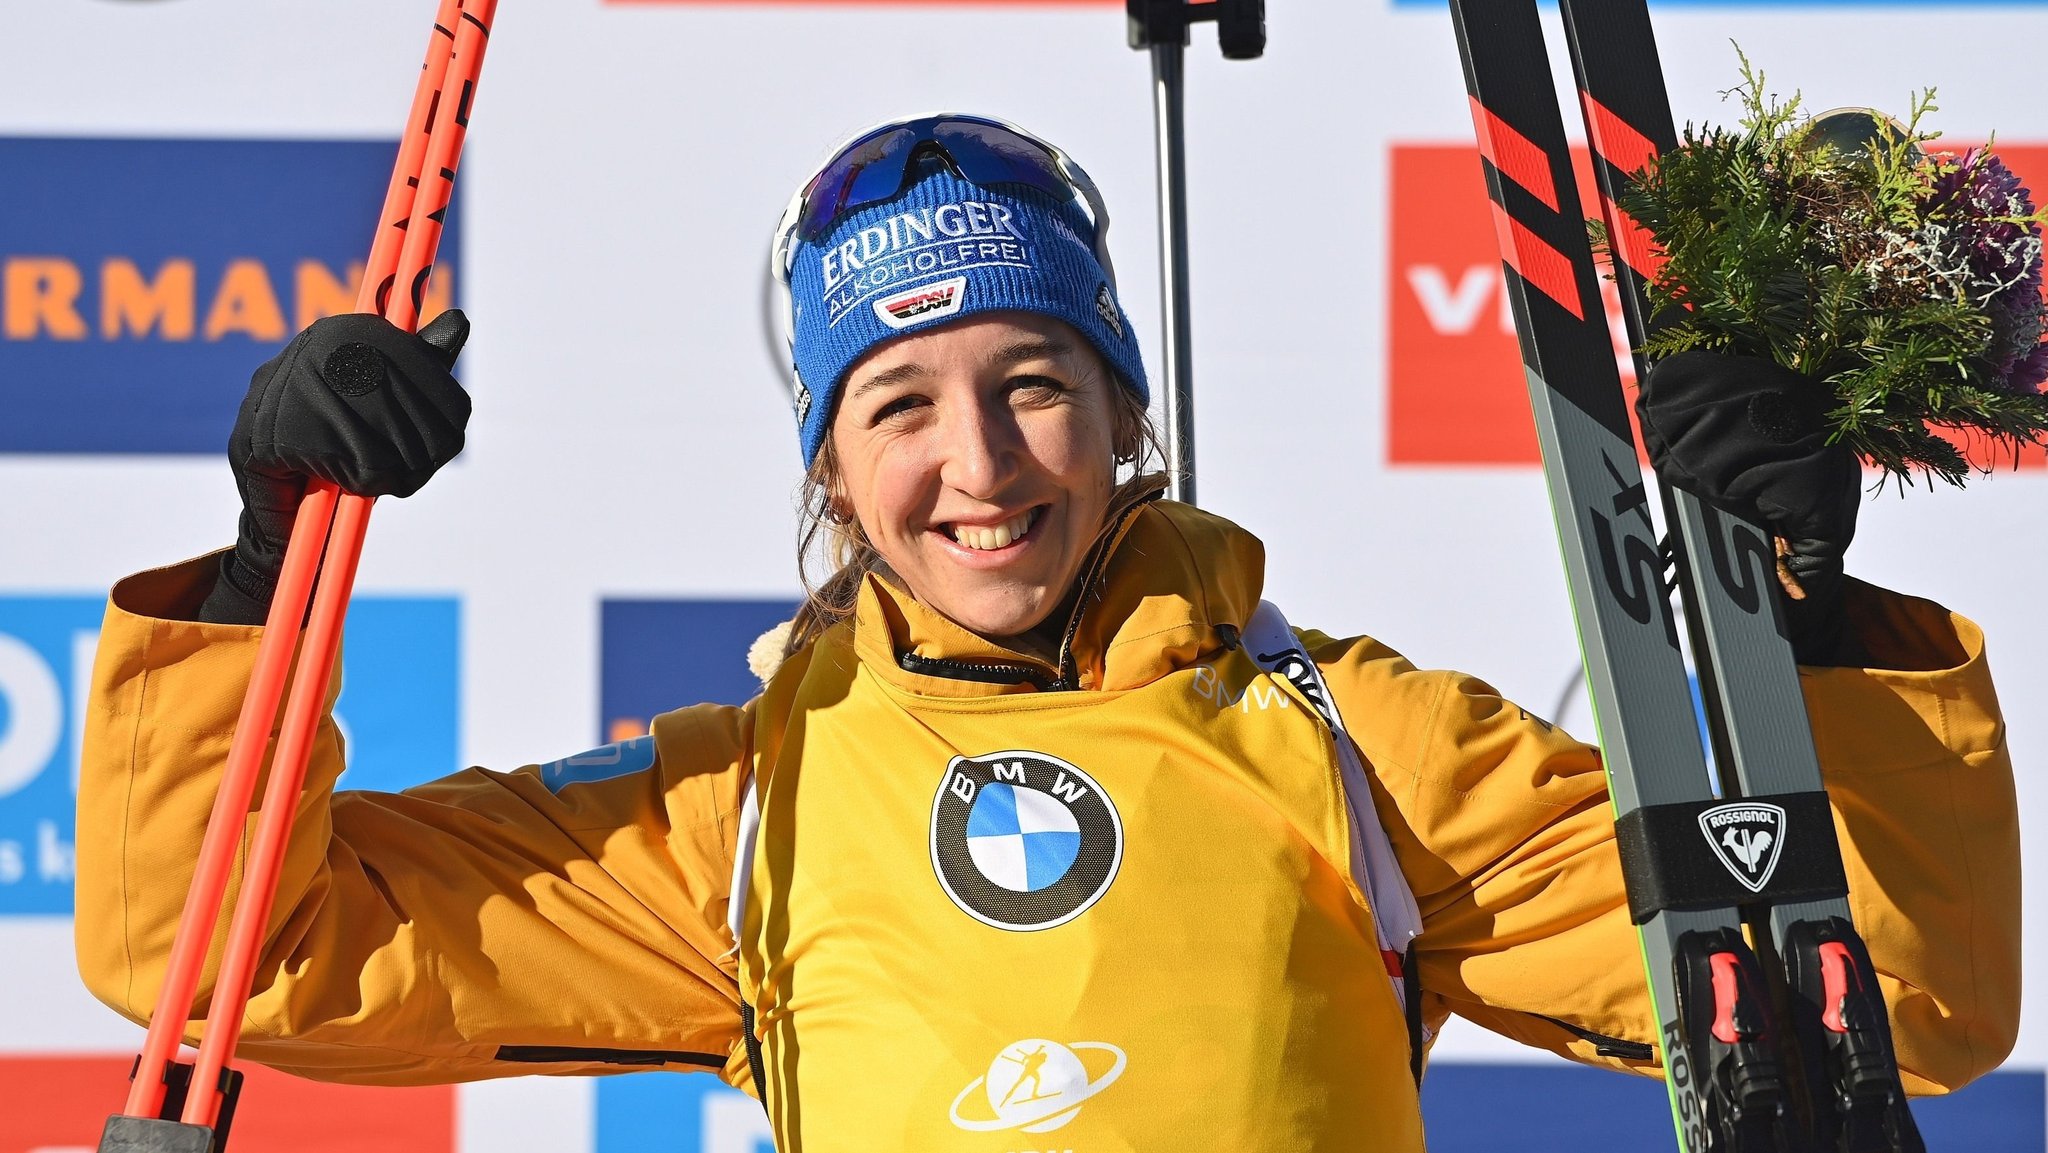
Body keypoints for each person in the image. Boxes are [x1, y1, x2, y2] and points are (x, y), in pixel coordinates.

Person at [74, 114, 2018, 1150]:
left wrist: (1813, 622)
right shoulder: (739, 814)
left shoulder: (1356, 744)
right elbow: (222, 957)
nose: (979, 463)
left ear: (1125, 414)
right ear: (832, 466)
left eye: (1032, 383)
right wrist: (263, 570)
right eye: (900, 406)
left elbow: (1904, 1011)